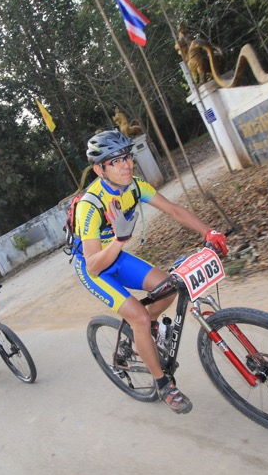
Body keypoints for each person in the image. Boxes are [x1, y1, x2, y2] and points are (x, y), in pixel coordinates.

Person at [72, 129, 228, 415]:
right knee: (139, 317)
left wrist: (209, 231)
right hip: (94, 268)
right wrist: (118, 240)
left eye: (127, 157)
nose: (126, 165)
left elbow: (173, 210)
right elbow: (94, 264)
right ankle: (162, 383)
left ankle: (144, 331)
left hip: (118, 258)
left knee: (168, 286)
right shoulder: (90, 206)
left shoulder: (134, 186)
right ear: (99, 169)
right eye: (115, 161)